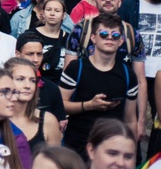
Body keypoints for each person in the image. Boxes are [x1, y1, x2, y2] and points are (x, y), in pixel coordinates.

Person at [59, 14, 139, 159]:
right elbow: (59, 105)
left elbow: (130, 120)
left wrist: (131, 153)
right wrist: (88, 105)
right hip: (75, 146)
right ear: (93, 38)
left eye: (115, 35)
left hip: (111, 149)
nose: (109, 38)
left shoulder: (129, 75)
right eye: (103, 34)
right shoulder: (76, 68)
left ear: (121, 41)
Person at [4, 57, 62, 152]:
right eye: (20, 79)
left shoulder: (48, 121)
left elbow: (56, 163)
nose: (27, 86)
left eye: (32, 80)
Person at [33, 0, 69, 84]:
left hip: (60, 85)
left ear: (63, 15)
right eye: (48, 10)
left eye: (57, 11)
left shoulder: (69, 39)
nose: (52, 14)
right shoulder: (31, 35)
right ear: (43, 13)